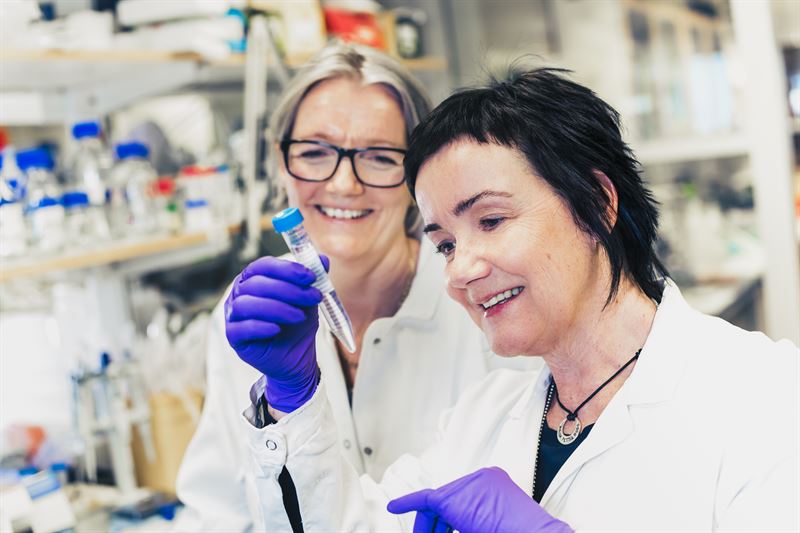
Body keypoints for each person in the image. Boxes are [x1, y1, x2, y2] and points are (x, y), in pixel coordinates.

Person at [226, 67, 799, 531]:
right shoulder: (482, 419)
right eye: (446, 245)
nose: (461, 270)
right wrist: (292, 398)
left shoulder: (766, 398)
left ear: (598, 203)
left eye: (492, 220)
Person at [174, 44, 534, 532]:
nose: (344, 184)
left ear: (419, 176)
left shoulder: (480, 294)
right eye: (314, 153)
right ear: (281, 164)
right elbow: (217, 512)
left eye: (379, 157)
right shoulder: (254, 311)